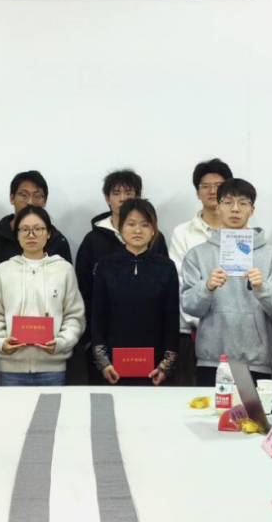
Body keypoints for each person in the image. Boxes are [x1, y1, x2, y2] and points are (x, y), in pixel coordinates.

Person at [181, 178, 272, 385]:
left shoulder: (271, 254)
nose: (235, 209)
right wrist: (207, 287)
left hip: (256, 362)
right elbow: (189, 306)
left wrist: (262, 288)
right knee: (211, 408)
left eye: (243, 203)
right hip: (211, 360)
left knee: (253, 409)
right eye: (228, 202)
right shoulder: (198, 254)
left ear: (252, 209)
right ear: (218, 207)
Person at [73, 169, 168, 384]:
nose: (122, 198)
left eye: (128, 193)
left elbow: (165, 291)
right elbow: (83, 292)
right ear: (107, 198)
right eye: (116, 193)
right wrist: (92, 342)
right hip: (103, 344)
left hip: (149, 342)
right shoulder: (92, 241)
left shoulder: (155, 239)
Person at [0, 206, 85, 386]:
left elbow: (74, 316)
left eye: (38, 229)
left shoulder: (64, 270)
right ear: (17, 235)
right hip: (10, 369)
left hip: (53, 368)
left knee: (50, 406)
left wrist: (62, 342)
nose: (31, 235)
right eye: (24, 229)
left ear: (48, 233)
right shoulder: (3, 271)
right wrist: (0, 342)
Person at [91, 199, 179, 386]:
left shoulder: (166, 267)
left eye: (145, 225)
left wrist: (165, 365)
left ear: (153, 230)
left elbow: (171, 319)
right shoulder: (106, 266)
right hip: (113, 365)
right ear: (121, 228)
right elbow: (98, 316)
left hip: (156, 366)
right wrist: (103, 362)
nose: (138, 230)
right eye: (131, 224)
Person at [168, 158, 233, 387]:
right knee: (193, 398)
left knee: (233, 401)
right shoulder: (183, 233)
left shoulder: (241, 234)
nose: (212, 191)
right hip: (191, 332)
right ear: (197, 192)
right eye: (206, 186)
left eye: (219, 186)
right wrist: (202, 322)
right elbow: (179, 282)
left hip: (233, 332)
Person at [0, 170, 73, 271]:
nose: (30, 202)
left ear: (45, 201)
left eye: (37, 196)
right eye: (23, 195)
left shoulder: (57, 242)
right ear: (12, 198)